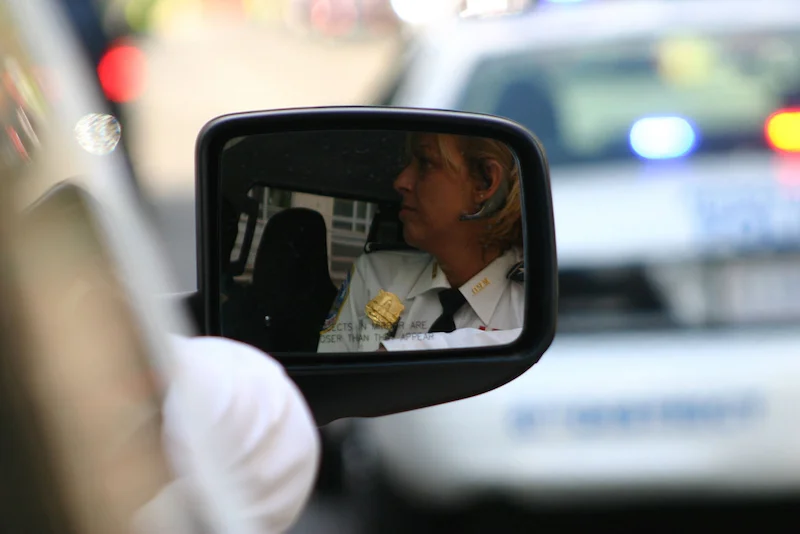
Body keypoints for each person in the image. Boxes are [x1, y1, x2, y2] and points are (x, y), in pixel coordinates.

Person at [317, 132, 525, 353]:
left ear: (486, 183)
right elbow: (332, 372)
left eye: (426, 163)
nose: (400, 182)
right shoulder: (376, 275)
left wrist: (402, 352)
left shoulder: (535, 299)